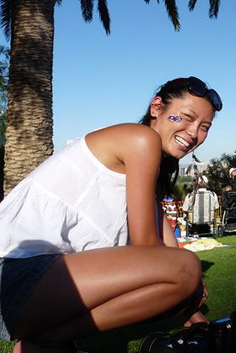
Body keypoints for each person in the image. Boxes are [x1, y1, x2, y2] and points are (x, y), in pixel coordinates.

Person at [0, 77, 223, 352]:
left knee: (184, 267)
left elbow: (168, 247)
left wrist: (191, 308)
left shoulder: (147, 166)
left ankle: (45, 342)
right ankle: (48, 340)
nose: (193, 132)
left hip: (33, 281)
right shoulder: (140, 139)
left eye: (204, 127)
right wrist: (188, 283)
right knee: (186, 266)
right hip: (13, 274)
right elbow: (149, 248)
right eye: (186, 117)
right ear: (156, 107)